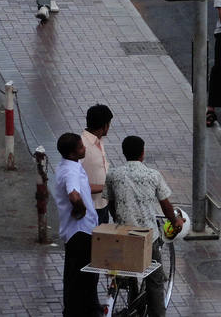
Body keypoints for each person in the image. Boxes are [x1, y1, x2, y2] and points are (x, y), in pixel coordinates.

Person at [104, 136, 184, 317]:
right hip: (147, 237)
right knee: (155, 281)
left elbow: (111, 203)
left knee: (127, 274)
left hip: (123, 236)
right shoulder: (153, 175)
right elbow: (165, 206)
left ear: (124, 153)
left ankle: (133, 301)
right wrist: (175, 221)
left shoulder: (113, 175)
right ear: (142, 153)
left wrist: (119, 219)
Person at [54, 132, 101, 317]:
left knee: (78, 275)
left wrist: (104, 187)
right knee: (79, 277)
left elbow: (84, 188)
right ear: (73, 153)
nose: (84, 149)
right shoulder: (70, 171)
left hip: (80, 231)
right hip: (79, 232)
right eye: (81, 147)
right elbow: (74, 194)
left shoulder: (69, 165)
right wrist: (80, 209)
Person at [80, 104, 113, 225]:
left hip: (103, 204)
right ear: (104, 126)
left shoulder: (99, 141)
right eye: (108, 124)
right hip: (90, 207)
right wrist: (105, 188)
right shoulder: (82, 146)